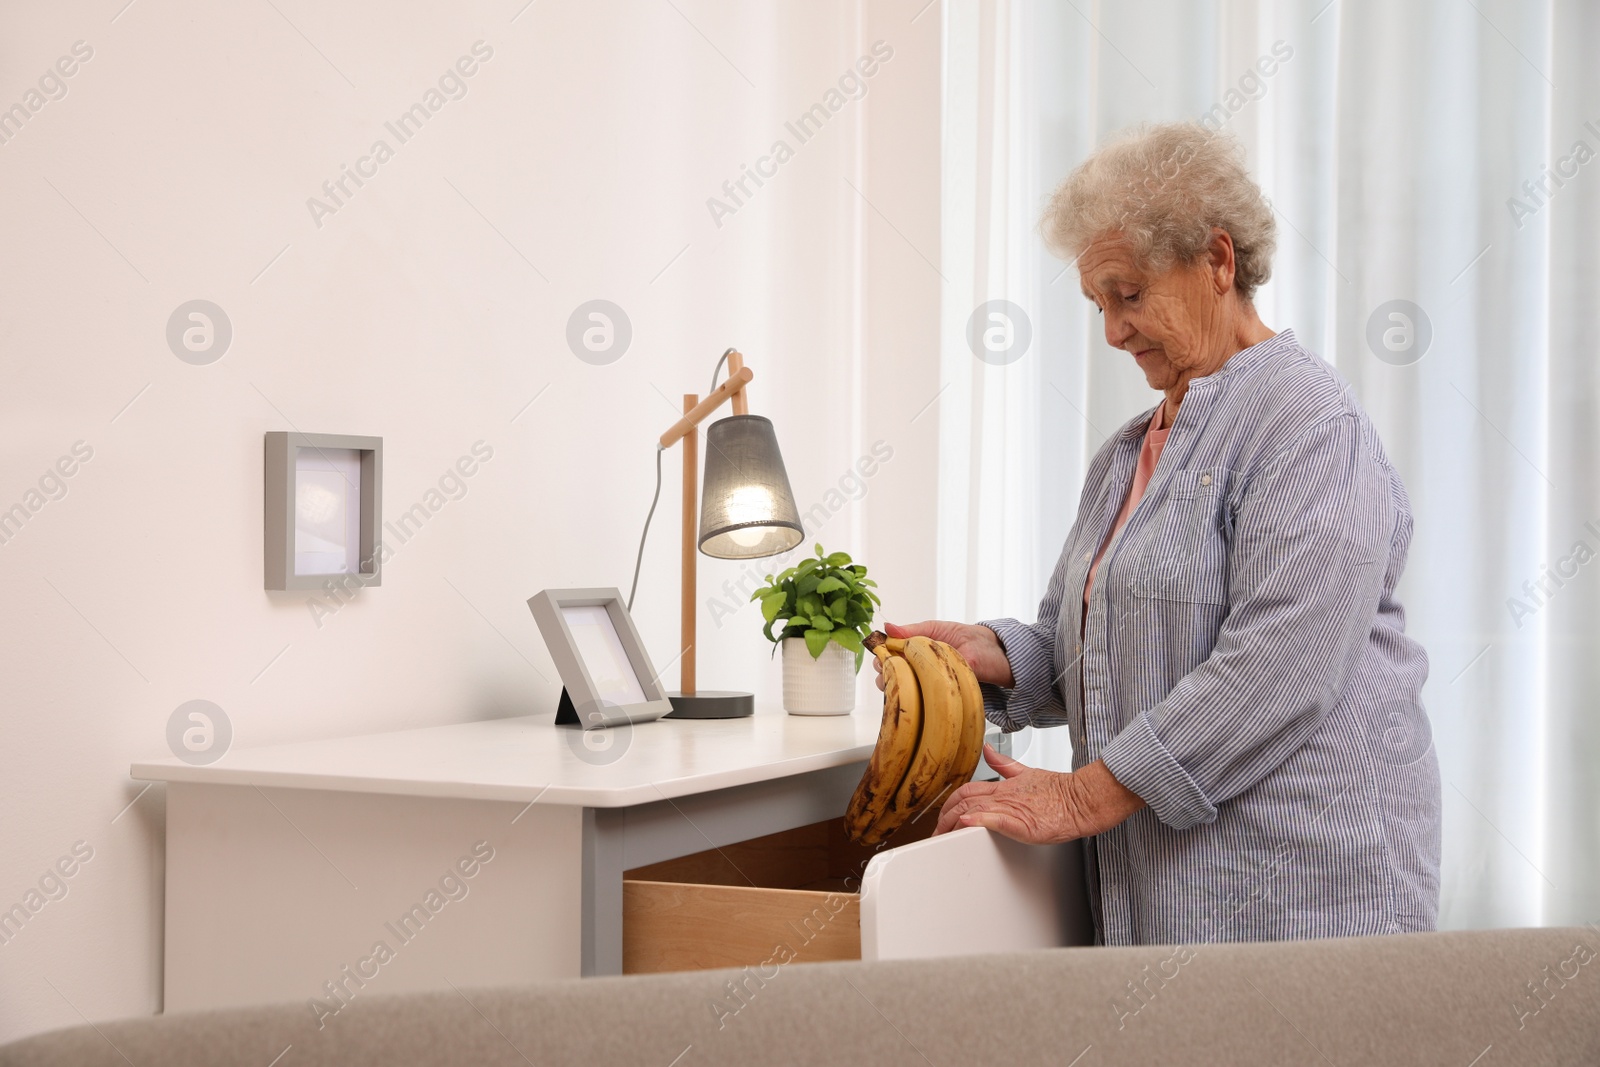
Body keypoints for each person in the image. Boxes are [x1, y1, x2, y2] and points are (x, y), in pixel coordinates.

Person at [877, 122, 1440, 945]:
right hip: (1161, 892)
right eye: (1097, 302)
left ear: (1219, 261)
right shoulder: (1126, 454)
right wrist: (994, 654)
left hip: (1305, 893)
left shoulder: (1310, 425)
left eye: (1129, 294)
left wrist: (1075, 796)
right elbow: (1100, 649)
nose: (1110, 329)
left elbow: (1279, 667)